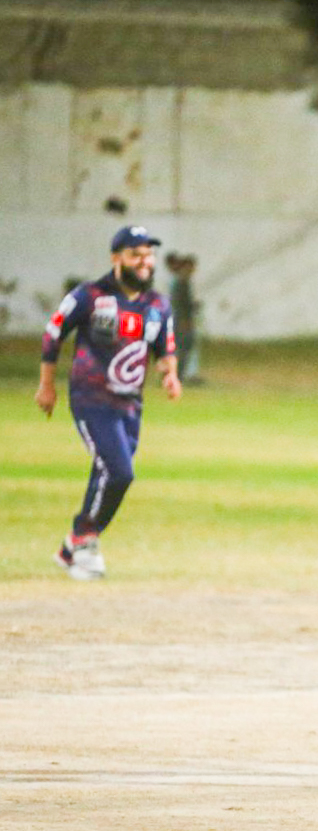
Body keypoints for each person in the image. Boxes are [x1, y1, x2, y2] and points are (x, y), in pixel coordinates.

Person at [35, 225, 182, 580]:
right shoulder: (90, 296)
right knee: (119, 472)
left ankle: (70, 548)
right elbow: (53, 334)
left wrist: (170, 374)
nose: (145, 262)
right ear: (116, 258)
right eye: (136, 255)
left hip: (130, 405)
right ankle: (85, 541)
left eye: (149, 255)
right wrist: (46, 385)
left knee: (108, 474)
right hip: (91, 399)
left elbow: (165, 348)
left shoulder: (157, 305)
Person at [165, 252, 203, 383]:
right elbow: (181, 304)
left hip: (179, 319)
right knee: (183, 347)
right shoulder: (181, 282)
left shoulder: (182, 281)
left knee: (181, 347)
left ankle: (175, 374)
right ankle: (177, 374)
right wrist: (185, 320)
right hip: (182, 320)